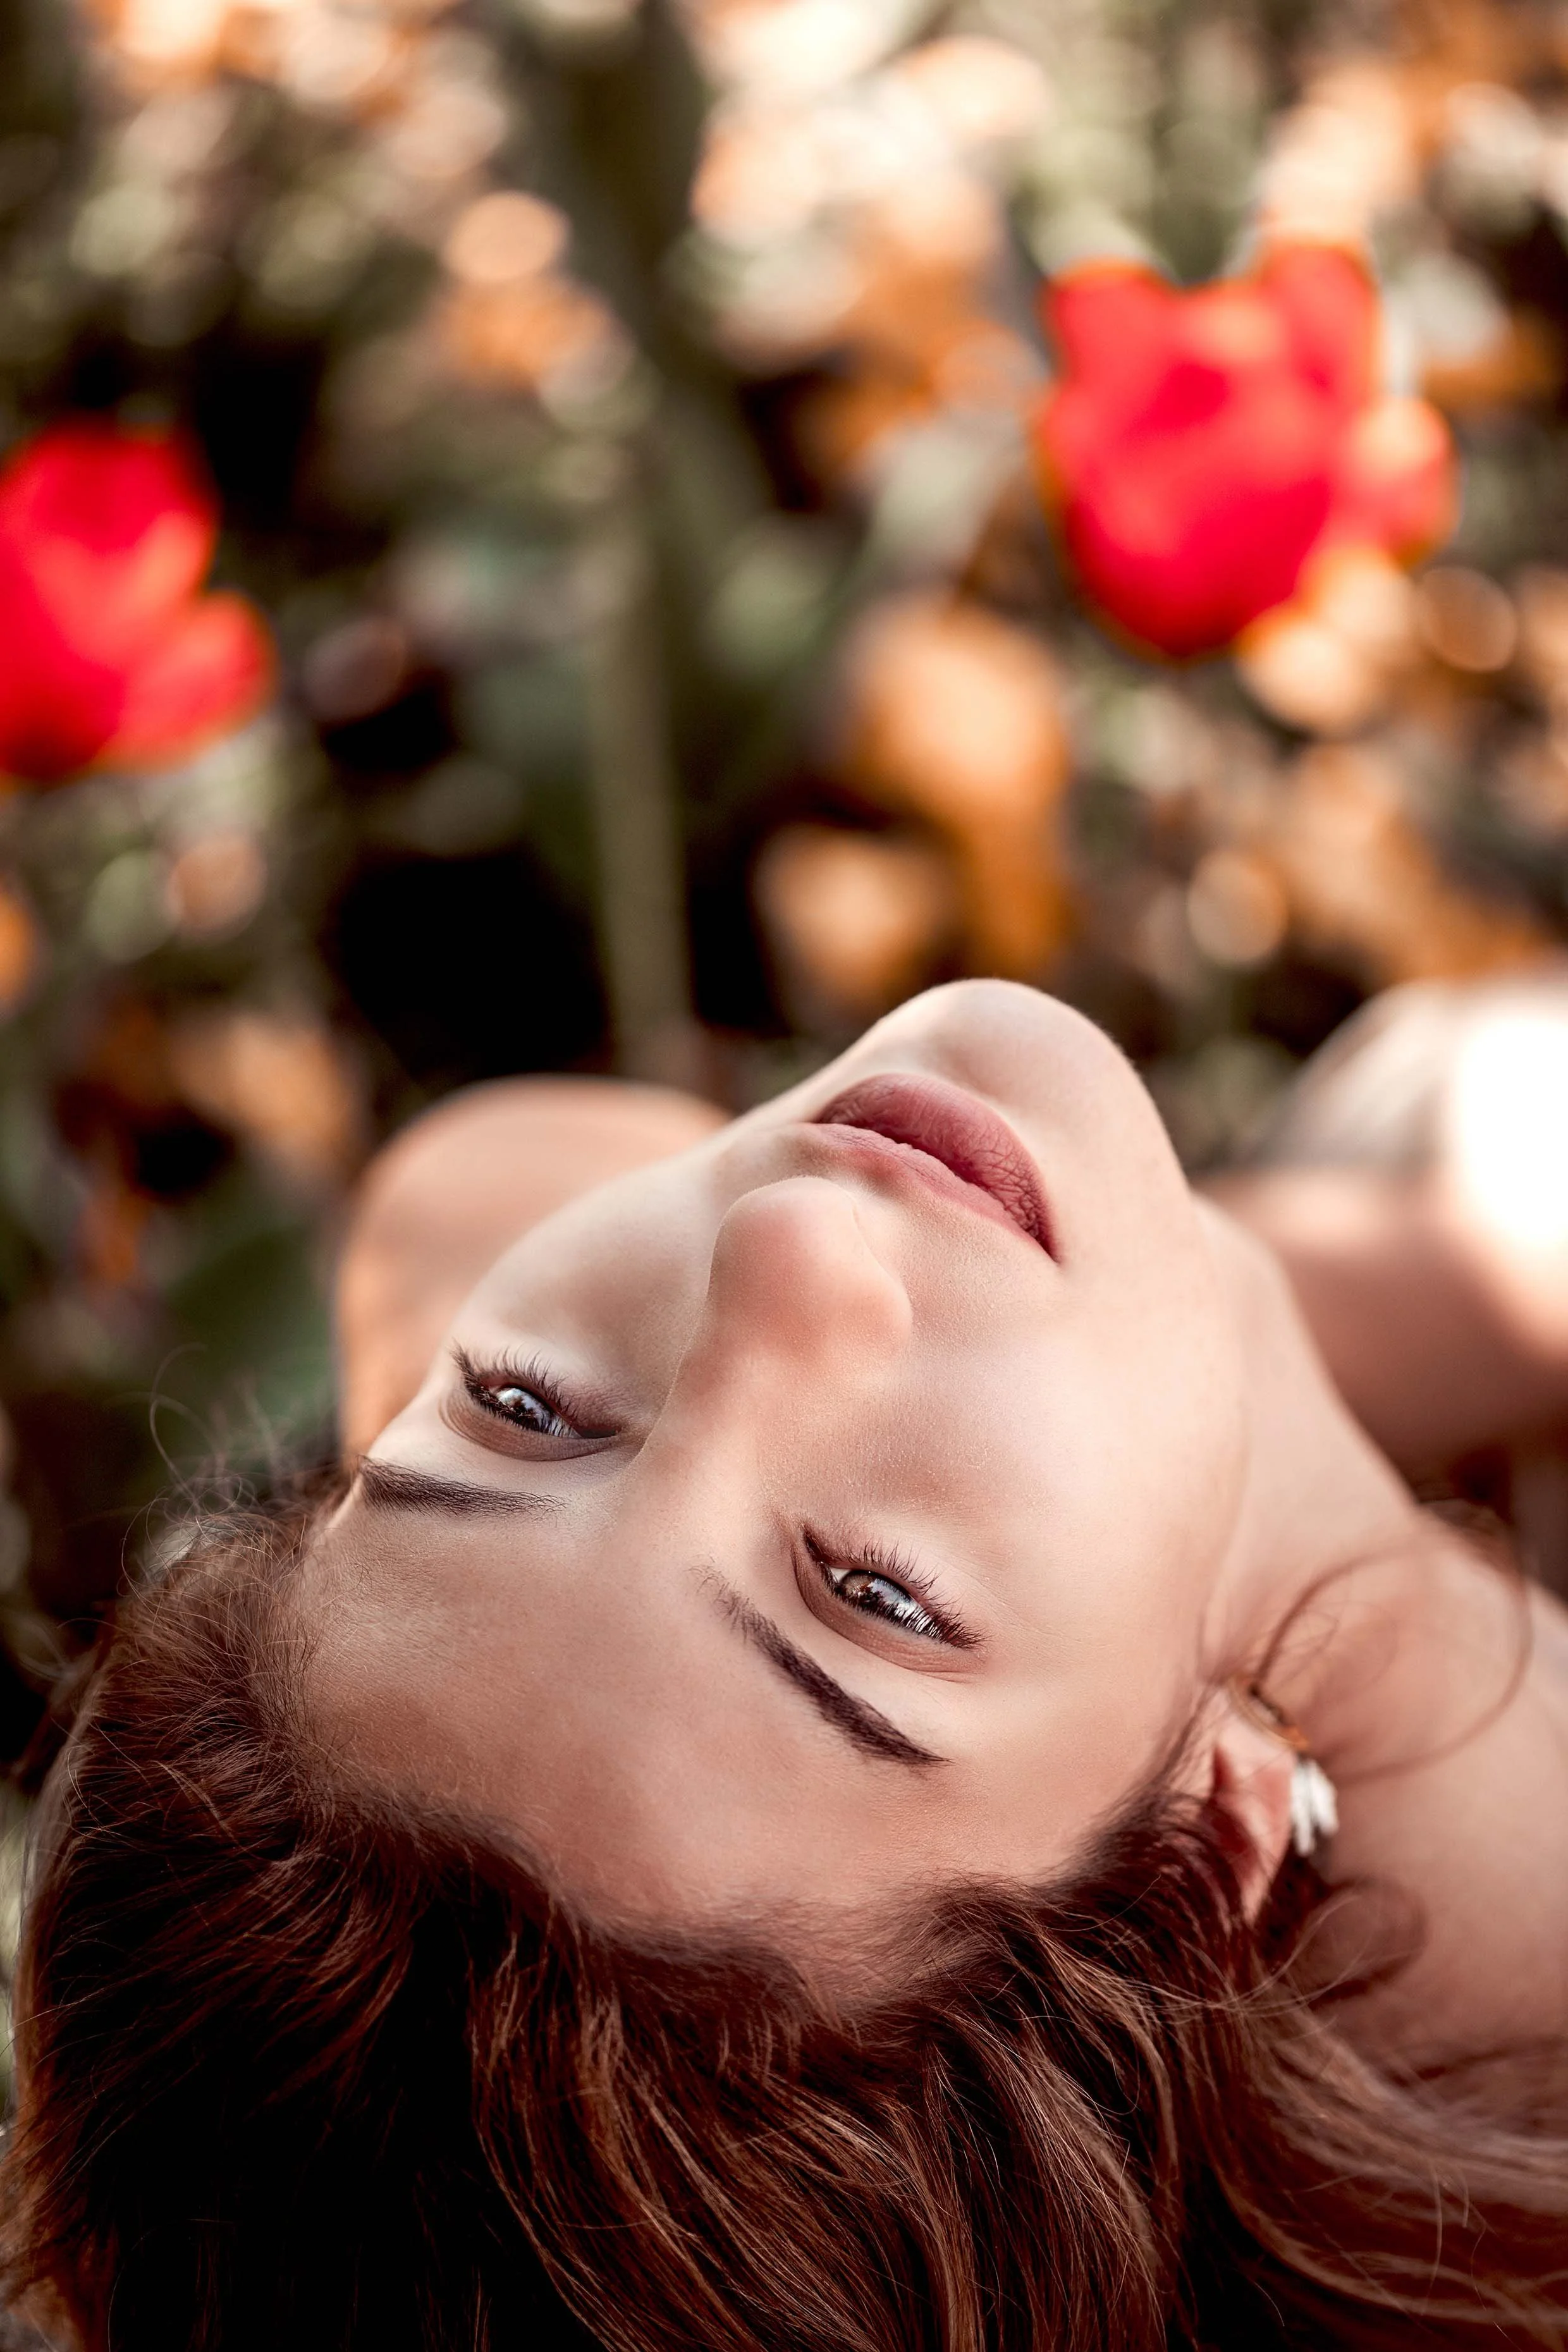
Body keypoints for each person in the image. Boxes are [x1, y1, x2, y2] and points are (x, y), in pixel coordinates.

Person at [4, 978, 1568, 2352]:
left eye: (523, 1410)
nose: (782, 1247)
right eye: (877, 1599)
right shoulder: (1527, 1929)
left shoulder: (506, 1242)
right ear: (1214, 1839)